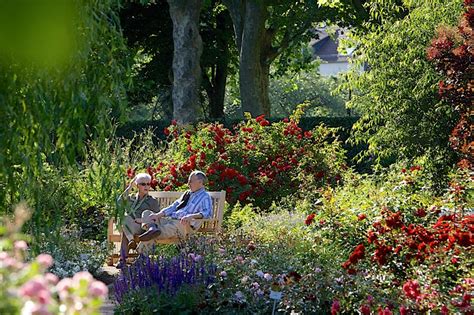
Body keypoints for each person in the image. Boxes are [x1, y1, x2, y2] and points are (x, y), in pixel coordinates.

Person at [134, 170, 213, 252]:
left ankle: (146, 242)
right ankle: (152, 229)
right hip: (170, 220)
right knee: (147, 213)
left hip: (184, 225)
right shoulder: (187, 194)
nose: (188, 183)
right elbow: (174, 206)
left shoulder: (205, 197)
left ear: (200, 182)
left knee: (155, 233)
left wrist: (191, 216)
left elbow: (206, 213)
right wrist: (158, 215)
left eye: (190, 181)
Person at [116, 173, 160, 267]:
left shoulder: (152, 201)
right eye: (143, 184)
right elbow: (119, 202)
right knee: (124, 218)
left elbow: (157, 217)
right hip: (130, 226)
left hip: (143, 228)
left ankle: (122, 260)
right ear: (137, 185)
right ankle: (131, 240)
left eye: (148, 184)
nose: (146, 186)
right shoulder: (131, 197)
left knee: (125, 229)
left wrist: (142, 220)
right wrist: (129, 187)